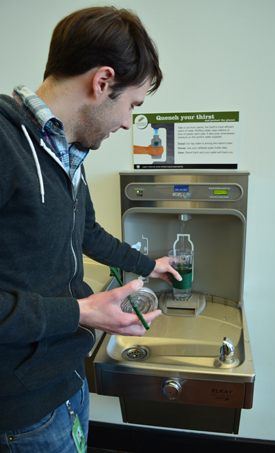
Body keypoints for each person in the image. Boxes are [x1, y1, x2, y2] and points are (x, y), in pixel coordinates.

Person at [0, 7, 181, 452]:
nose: (126, 122)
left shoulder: (66, 153)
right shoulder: (6, 145)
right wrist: (82, 312)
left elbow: (87, 233)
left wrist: (149, 265)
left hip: (68, 378)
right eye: (131, 106)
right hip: (24, 408)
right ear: (102, 82)